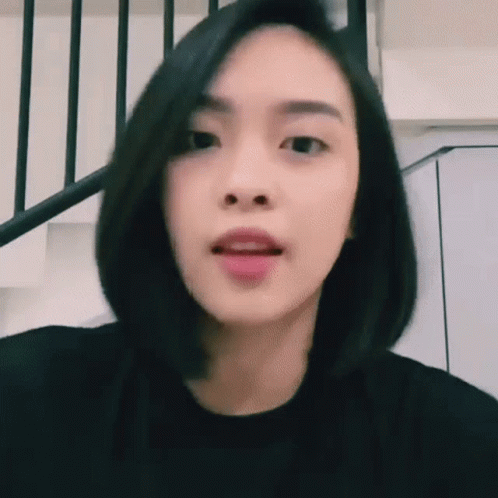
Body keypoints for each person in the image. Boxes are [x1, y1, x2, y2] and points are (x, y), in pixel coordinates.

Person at [1, 0, 497, 496]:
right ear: (157, 193)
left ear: (361, 205)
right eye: (200, 139)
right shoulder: (24, 406)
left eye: (303, 144)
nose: (246, 184)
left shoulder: (463, 449)